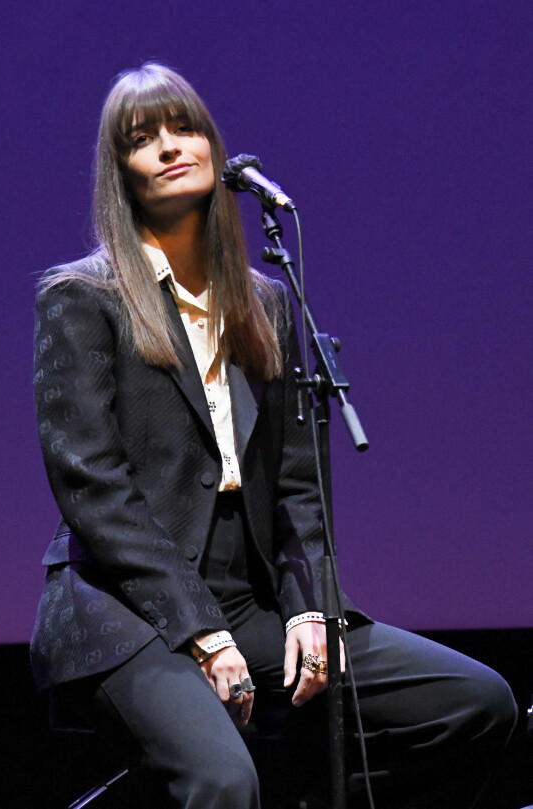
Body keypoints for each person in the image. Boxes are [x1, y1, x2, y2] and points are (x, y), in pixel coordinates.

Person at [31, 62, 517, 809]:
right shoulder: (83, 298)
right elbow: (91, 485)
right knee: (225, 780)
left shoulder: (267, 304)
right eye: (141, 138)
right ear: (120, 172)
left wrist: (308, 607)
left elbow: (298, 486)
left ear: (214, 148)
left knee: (476, 701)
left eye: (183, 128)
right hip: (126, 606)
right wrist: (201, 633)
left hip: (248, 597)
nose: (167, 146)